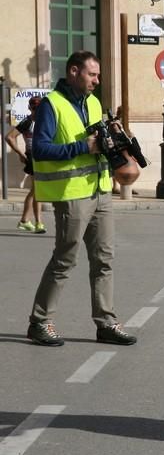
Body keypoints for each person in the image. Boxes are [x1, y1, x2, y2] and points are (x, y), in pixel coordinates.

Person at [26, 50, 137, 347]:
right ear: (74, 72)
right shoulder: (52, 105)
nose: (96, 81)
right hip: (72, 195)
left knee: (104, 260)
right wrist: (81, 147)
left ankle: (106, 323)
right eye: (92, 74)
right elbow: (40, 149)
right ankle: (39, 322)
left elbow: (98, 143)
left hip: (100, 191)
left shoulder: (94, 102)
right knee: (64, 260)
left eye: (98, 75)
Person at [5, 96, 46, 233]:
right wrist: (20, 153)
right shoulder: (27, 122)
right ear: (30, 108)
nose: (36, 111)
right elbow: (9, 137)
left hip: (41, 157)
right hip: (33, 157)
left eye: (38, 108)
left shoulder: (44, 121)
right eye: (34, 108)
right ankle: (38, 222)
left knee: (35, 190)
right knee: (37, 190)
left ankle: (25, 220)